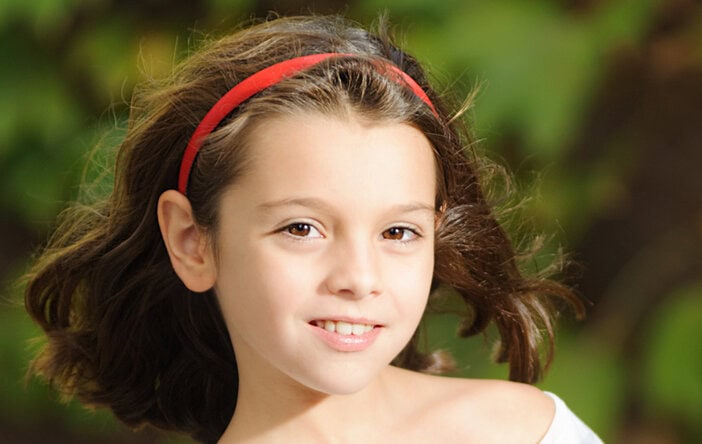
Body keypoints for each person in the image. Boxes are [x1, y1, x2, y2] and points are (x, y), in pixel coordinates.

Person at [24, 15, 602, 443]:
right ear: (191, 241)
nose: (359, 278)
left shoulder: (529, 432)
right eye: (302, 228)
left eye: (398, 233)